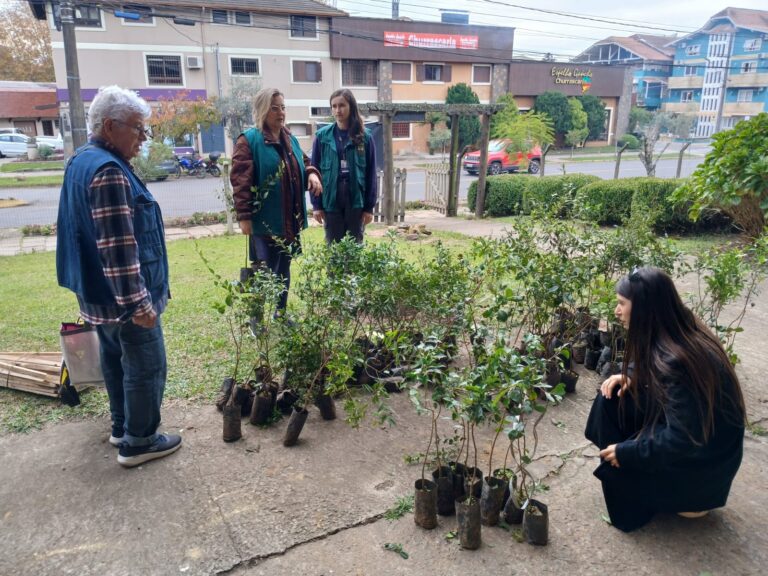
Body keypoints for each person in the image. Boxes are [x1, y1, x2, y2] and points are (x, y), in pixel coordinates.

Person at [56, 86, 181, 467]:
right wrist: (138, 304)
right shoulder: (108, 171)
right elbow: (118, 248)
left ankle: (122, 426)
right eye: (138, 129)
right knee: (146, 363)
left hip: (96, 295)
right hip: (123, 300)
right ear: (110, 126)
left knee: (114, 359)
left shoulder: (82, 160)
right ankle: (140, 441)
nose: (144, 138)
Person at [584, 267, 745, 532]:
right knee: (610, 398)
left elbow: (682, 438)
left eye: (622, 304)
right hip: (702, 450)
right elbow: (651, 356)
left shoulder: (678, 362)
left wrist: (629, 453)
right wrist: (632, 375)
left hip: (701, 472)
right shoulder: (680, 327)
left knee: (622, 443)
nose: (616, 311)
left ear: (646, 309)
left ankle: (633, 486)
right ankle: (625, 474)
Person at [230, 87, 322, 317]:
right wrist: (244, 217)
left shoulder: (289, 137)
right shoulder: (249, 141)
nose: (280, 113)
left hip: (288, 221)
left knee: (284, 268)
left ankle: (280, 314)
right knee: (264, 271)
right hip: (265, 222)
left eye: (283, 107)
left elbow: (304, 161)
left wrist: (311, 173)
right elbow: (241, 182)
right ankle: (256, 320)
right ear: (262, 110)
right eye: (274, 108)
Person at [311, 89, 377, 244]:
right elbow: (314, 172)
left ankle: (353, 270)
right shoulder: (322, 137)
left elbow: (371, 174)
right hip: (331, 201)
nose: (337, 110)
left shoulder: (365, 137)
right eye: (333, 106)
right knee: (333, 250)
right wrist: (316, 205)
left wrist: (369, 208)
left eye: (342, 105)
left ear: (351, 107)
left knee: (354, 250)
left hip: (356, 202)